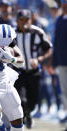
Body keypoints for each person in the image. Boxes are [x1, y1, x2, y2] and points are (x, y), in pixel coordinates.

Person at [14, 9, 52, 129]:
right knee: (21, 99)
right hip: (18, 72)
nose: (24, 22)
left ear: (31, 20)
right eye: (22, 20)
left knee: (34, 100)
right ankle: (25, 115)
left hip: (34, 71)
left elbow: (49, 48)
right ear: (17, 21)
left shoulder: (37, 32)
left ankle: (28, 114)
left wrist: (40, 59)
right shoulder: (12, 34)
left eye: (27, 20)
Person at [53, 0, 67, 128]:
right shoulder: (59, 20)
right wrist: (54, 62)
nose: (64, 6)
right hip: (62, 61)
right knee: (64, 90)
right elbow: (56, 42)